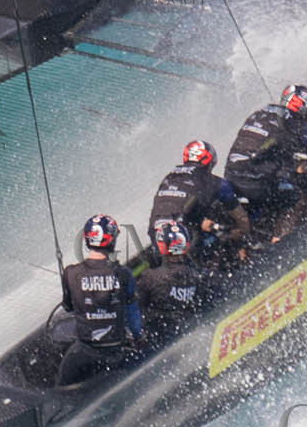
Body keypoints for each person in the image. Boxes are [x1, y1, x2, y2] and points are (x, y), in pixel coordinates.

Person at [224, 85, 307, 240]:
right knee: (296, 197)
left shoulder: (259, 113)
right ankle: (280, 242)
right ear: (302, 108)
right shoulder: (296, 123)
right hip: (255, 183)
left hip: (230, 175)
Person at [57, 214, 142, 385]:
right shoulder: (124, 274)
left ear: (88, 240)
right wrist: (139, 337)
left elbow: (68, 307)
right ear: (112, 241)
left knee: (61, 384)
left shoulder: (71, 273)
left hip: (83, 352)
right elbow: (133, 318)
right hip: (116, 353)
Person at [147, 138, 249, 262]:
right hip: (182, 237)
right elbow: (240, 218)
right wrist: (240, 236)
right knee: (229, 226)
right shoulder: (215, 182)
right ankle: (233, 257)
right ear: (210, 161)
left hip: (155, 233)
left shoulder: (169, 177)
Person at [135, 219, 208, 345]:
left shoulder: (151, 277)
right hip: (182, 328)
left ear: (161, 246)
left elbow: (134, 308)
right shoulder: (195, 275)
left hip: (155, 337)